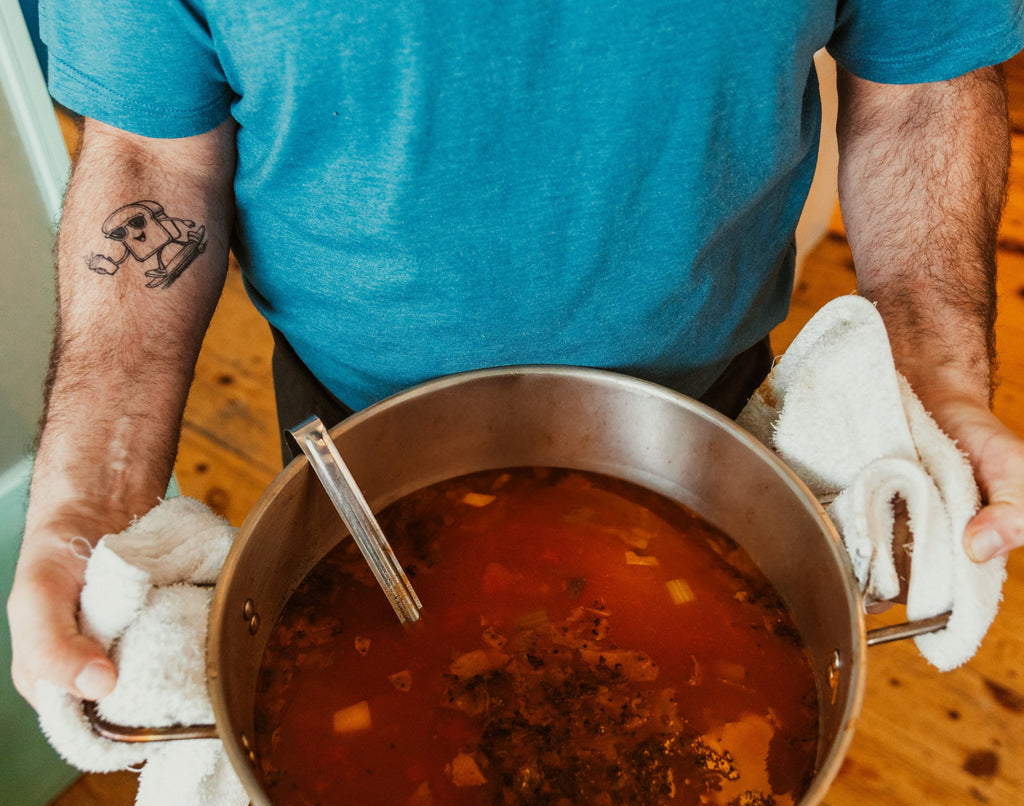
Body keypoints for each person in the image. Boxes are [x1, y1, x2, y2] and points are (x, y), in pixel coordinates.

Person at [9, 1, 1024, 711]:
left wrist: (932, 378)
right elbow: (150, 153)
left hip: (717, 420)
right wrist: (93, 497)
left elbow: (923, 81)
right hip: (351, 449)